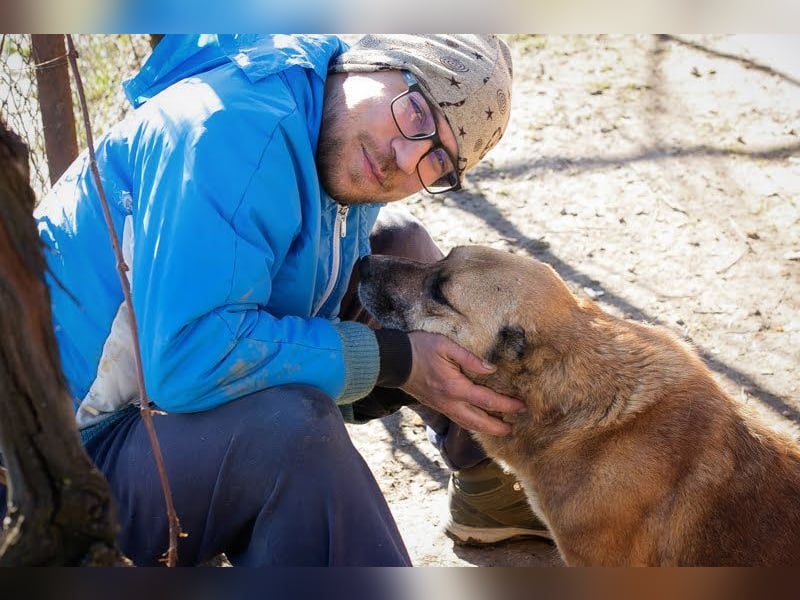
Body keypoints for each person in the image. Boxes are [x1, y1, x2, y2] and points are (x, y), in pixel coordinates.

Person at [25, 34, 547, 566]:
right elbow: (187, 360)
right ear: (370, 62)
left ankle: (492, 492)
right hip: (55, 464)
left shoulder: (327, 117)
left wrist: (388, 365)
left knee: (403, 254)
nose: (407, 156)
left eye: (439, 160)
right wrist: (394, 360)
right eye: (416, 111)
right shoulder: (232, 130)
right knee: (292, 435)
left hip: (147, 403)